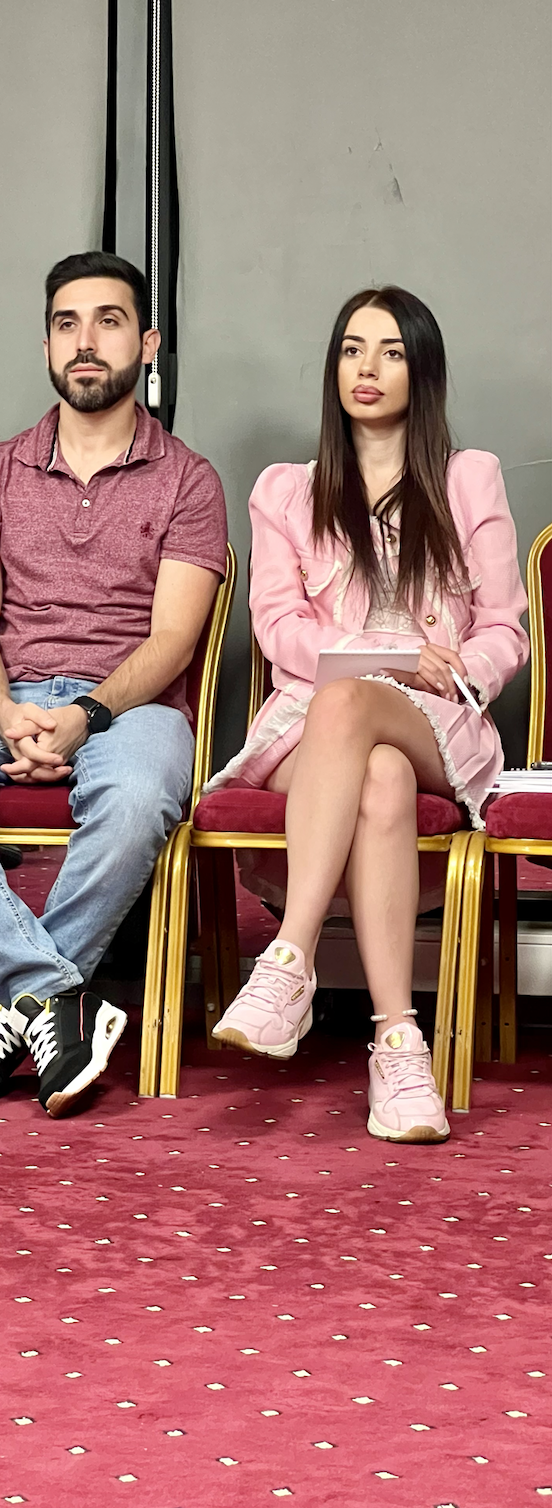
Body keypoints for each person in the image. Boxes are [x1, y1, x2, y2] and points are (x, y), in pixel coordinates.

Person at [0, 251, 228, 1117]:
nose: (86, 341)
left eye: (109, 321)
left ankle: (15, 1013)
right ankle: (51, 994)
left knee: (138, 797)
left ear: (147, 343)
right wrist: (6, 714)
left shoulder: (189, 479)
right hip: (11, 694)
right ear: (46, 346)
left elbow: (174, 639)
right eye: (67, 324)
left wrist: (86, 714)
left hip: (133, 705)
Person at [203, 285, 528, 1143]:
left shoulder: (468, 478)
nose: (367, 368)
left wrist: (455, 672)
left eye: (390, 351)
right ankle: (399, 1047)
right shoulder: (286, 491)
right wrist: (386, 655)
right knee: (375, 769)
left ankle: (288, 959)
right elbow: (279, 629)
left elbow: (504, 629)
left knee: (364, 714)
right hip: (309, 724)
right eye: (352, 349)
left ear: (423, 371)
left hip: (435, 719)